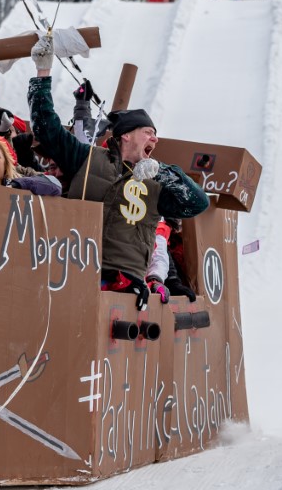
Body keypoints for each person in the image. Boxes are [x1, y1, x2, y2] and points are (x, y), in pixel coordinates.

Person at [26, 53, 210, 309]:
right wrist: (42, 73)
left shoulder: (157, 184)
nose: (154, 140)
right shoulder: (86, 158)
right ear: (125, 136)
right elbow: (46, 128)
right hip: (75, 270)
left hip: (127, 286)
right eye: (148, 133)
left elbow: (197, 204)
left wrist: (163, 173)